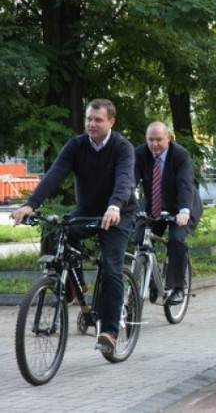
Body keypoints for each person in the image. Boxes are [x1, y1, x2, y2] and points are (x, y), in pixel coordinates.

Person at [10, 98, 137, 356]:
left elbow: (124, 180)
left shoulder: (122, 147)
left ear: (111, 122)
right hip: (88, 209)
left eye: (98, 120)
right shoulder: (76, 145)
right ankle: (73, 284)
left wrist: (114, 206)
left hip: (119, 211)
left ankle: (109, 332)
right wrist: (30, 205)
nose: (92, 124)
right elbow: (55, 174)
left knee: (112, 268)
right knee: (58, 230)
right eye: (89, 119)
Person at [134, 121, 203, 305]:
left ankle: (178, 287)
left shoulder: (180, 154)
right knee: (140, 236)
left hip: (181, 204)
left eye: (159, 140)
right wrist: (118, 204)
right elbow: (129, 180)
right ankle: (150, 277)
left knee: (176, 239)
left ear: (168, 138)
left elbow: (185, 183)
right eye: (150, 140)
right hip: (153, 204)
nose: (154, 144)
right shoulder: (140, 153)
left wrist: (184, 211)